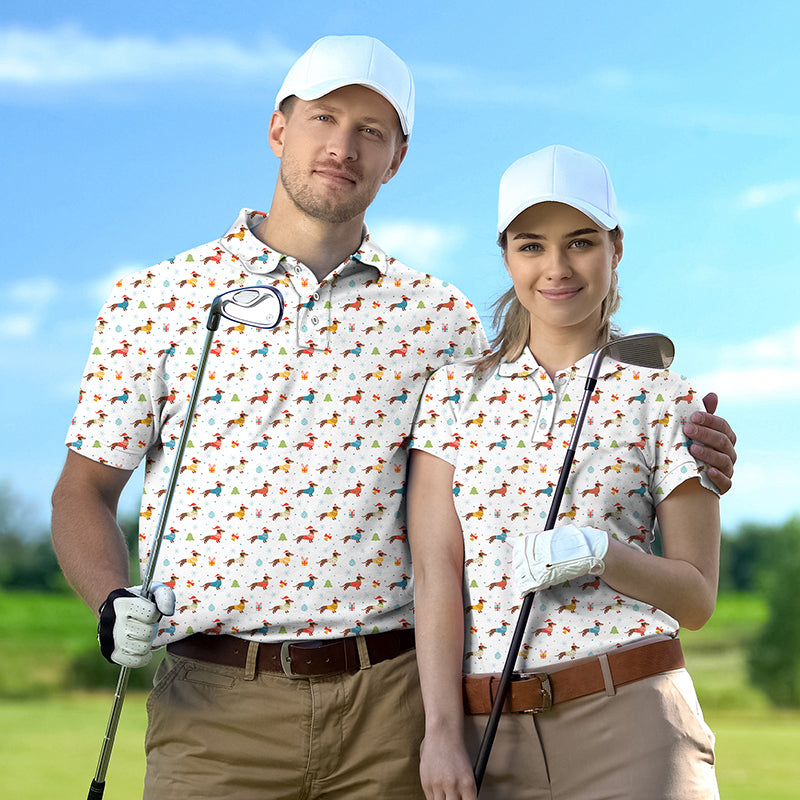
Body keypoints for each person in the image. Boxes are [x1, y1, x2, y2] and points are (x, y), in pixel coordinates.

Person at [50, 35, 735, 799]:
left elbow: (524, 443)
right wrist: (111, 601)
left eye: (371, 131)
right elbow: (82, 492)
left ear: (397, 157)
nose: (342, 147)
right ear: (279, 128)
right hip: (212, 705)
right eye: (323, 119)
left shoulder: (439, 317)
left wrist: (687, 445)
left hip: (391, 704)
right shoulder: (157, 301)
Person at [407, 145, 724, 799]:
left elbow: (696, 600)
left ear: (615, 248)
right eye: (531, 246)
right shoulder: (451, 395)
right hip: (490, 735)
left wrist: (601, 553)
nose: (556, 268)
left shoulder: (665, 396)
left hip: (634, 718)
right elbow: (437, 573)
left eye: (580, 242)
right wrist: (440, 731)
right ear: (505, 255)